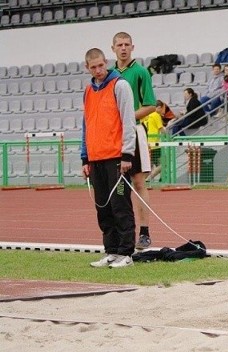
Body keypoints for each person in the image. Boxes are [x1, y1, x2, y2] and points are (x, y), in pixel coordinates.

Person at [81, 48, 136, 269]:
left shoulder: (120, 85)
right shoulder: (87, 91)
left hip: (116, 158)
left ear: (107, 63)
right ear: (88, 68)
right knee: (102, 208)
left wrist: (127, 154)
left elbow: (128, 120)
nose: (98, 70)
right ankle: (111, 251)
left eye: (101, 65)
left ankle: (126, 253)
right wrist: (85, 158)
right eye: (93, 67)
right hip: (95, 159)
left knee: (120, 205)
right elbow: (86, 125)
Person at [111, 32, 157, 250]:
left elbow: (150, 105)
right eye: (119, 45)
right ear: (113, 48)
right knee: (119, 186)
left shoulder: (140, 72)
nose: (123, 48)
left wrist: (127, 117)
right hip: (114, 135)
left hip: (135, 132)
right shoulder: (109, 74)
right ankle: (123, 233)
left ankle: (145, 232)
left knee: (138, 183)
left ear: (132, 47)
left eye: (126, 44)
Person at [142, 100, 169, 182]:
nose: (162, 111)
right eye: (162, 109)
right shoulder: (156, 115)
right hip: (155, 144)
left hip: (147, 142)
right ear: (159, 107)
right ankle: (149, 178)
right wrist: (168, 137)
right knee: (164, 163)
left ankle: (161, 178)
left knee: (151, 165)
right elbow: (161, 129)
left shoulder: (147, 115)